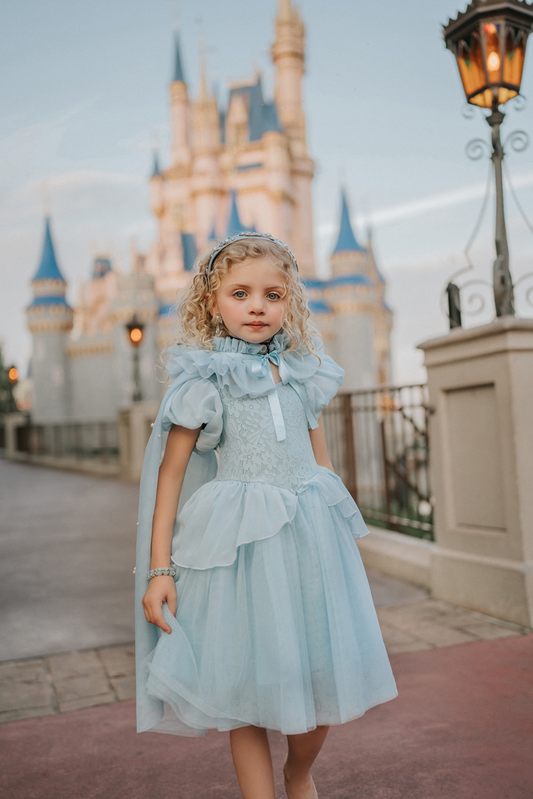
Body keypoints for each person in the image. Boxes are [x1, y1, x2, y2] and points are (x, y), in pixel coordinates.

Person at [134, 232, 398, 799]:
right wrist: (160, 572)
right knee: (243, 690)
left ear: (290, 302)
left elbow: (321, 464)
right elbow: (170, 477)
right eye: (240, 293)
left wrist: (341, 541)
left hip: (309, 542)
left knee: (322, 680)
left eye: (273, 295)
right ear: (212, 303)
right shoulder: (204, 384)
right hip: (240, 550)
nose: (258, 306)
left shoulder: (303, 375)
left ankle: (298, 770)